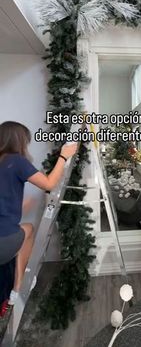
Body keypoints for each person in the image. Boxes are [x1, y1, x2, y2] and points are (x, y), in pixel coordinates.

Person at [0, 121, 77, 305]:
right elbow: (49, 184)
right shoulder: (16, 161)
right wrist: (63, 157)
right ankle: (17, 289)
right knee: (29, 230)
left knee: (22, 228)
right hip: (2, 243)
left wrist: (19, 205)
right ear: (18, 140)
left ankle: (14, 289)